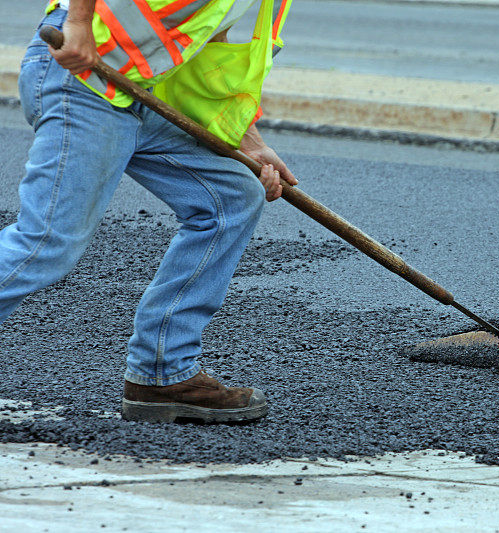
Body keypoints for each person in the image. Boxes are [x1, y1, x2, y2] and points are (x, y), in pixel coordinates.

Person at [0, 0, 297, 423]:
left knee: (231, 197)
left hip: (143, 92)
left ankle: (163, 374)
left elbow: (209, 38)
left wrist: (246, 138)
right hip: (86, 76)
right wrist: (79, 21)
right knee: (46, 242)